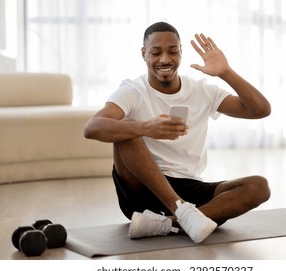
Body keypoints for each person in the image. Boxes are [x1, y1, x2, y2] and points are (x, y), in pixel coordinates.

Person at [84, 22, 271, 243]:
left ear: (181, 53)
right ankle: (184, 213)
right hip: (142, 189)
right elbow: (92, 127)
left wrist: (226, 73)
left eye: (173, 51)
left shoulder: (202, 91)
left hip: (189, 188)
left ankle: (167, 224)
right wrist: (146, 128)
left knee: (259, 187)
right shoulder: (133, 91)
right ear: (144, 54)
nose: (165, 59)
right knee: (127, 130)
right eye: (156, 52)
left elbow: (260, 110)